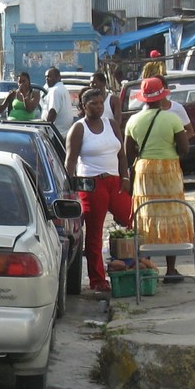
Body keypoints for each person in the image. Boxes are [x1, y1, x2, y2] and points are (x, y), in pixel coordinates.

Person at [65, 87, 133, 294]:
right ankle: (97, 279)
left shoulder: (111, 124)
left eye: (101, 103)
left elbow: (121, 155)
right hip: (91, 184)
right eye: (93, 103)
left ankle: (130, 266)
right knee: (94, 233)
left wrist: (125, 177)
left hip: (114, 181)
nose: (98, 107)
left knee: (131, 220)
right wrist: (71, 187)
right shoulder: (78, 129)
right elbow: (70, 161)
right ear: (83, 106)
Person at [125, 76, 191, 283]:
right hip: (169, 169)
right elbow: (184, 149)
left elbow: (128, 154)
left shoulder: (133, 121)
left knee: (147, 215)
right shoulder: (172, 119)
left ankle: (148, 268)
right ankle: (171, 269)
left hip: (144, 170)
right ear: (161, 97)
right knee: (170, 213)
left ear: (143, 99)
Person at [41, 67, 77, 137]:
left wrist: (47, 129)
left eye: (49, 76)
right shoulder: (62, 89)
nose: (46, 79)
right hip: (64, 133)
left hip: (56, 134)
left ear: (57, 77)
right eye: (45, 77)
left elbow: (52, 111)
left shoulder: (55, 91)